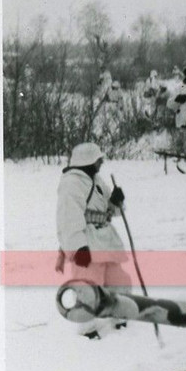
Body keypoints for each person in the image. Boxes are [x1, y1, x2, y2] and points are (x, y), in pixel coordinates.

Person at [56, 142, 131, 339]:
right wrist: (78, 247)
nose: (102, 162)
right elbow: (68, 217)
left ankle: (119, 316)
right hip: (87, 241)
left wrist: (116, 201)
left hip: (105, 238)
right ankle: (86, 329)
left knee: (118, 280)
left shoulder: (96, 179)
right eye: (99, 159)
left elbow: (110, 210)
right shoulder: (71, 183)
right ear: (87, 160)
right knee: (88, 284)